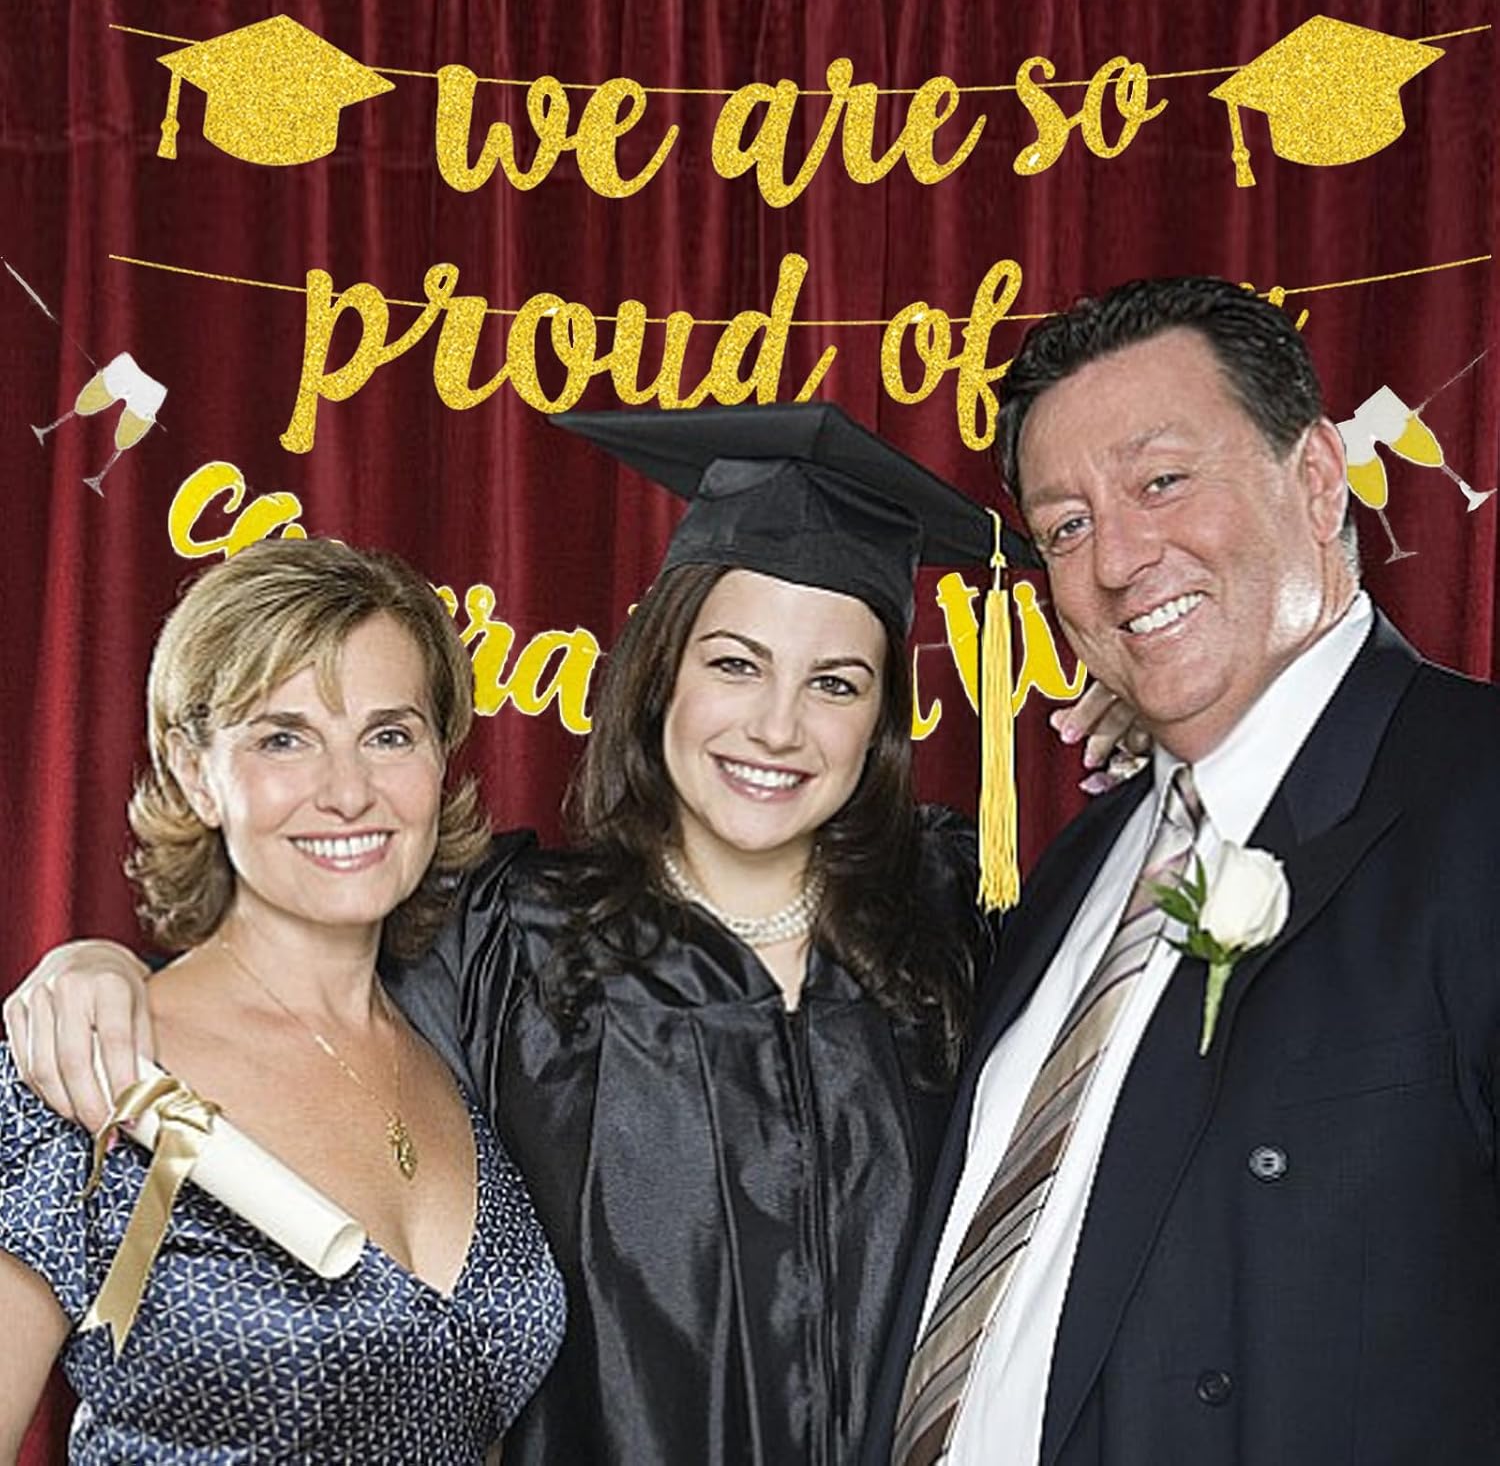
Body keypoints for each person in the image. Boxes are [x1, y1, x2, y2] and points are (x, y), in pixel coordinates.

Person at [6, 404, 1132, 1464]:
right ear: (661, 672)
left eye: (836, 684)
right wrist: (91, 967)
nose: (777, 727)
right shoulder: (508, 943)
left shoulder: (955, 936)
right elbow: (280, 953)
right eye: (734, 663)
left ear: (886, 715)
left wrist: (1169, 732)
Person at [862, 275, 1500, 1466]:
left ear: (1318, 478)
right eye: (1065, 527)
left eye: (1162, 482)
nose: (1117, 560)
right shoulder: (1075, 871)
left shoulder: (1476, 800)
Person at [0, 539, 565, 1464]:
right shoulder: (86, 1069)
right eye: (283, 738)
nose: (348, 792)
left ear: (439, 758)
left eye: (389, 735)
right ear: (195, 772)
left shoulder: (466, 1045)